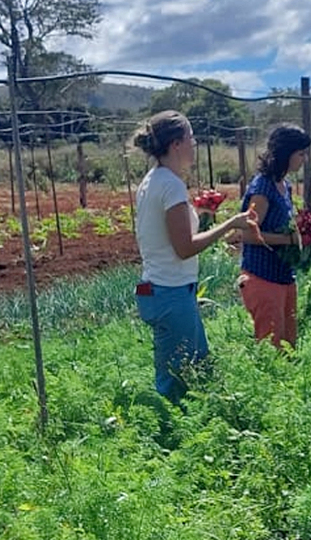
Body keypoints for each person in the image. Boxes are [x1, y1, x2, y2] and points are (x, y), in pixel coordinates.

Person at [132, 110, 255, 406]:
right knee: (177, 380)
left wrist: (200, 216)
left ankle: (190, 427)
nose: (194, 143)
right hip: (170, 293)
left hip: (160, 289)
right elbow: (184, 248)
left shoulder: (153, 180)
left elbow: (167, 234)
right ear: (176, 144)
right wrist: (231, 223)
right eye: (190, 137)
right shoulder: (170, 185)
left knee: (199, 367)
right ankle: (165, 439)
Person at [237, 124, 311, 348]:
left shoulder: (284, 185)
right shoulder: (262, 188)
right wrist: (288, 240)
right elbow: (248, 234)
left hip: (283, 276)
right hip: (263, 276)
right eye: (300, 154)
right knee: (272, 346)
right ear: (286, 154)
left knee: (289, 344)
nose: (303, 159)